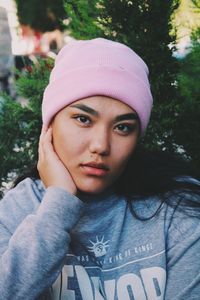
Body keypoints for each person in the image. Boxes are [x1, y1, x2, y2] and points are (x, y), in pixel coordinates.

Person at [0, 38, 199, 300]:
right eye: (83, 119)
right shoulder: (19, 208)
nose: (100, 145)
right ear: (49, 125)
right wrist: (57, 207)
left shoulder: (177, 209)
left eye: (123, 127)